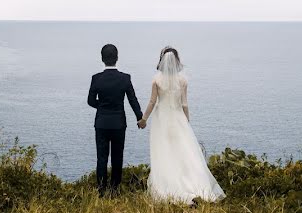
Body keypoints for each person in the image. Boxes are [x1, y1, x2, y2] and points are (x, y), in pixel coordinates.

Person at [138, 46, 225, 204]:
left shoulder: (156, 80)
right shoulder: (183, 80)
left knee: (164, 152)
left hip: (162, 119)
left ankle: (169, 186)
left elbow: (152, 102)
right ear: (176, 61)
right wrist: (187, 121)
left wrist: (143, 119)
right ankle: (193, 184)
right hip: (178, 118)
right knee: (184, 152)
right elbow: (184, 104)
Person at [87, 43, 144, 195]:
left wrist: (103, 106)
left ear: (102, 59)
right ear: (117, 58)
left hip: (101, 123)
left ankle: (100, 191)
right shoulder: (125, 78)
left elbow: (91, 101)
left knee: (102, 158)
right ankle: (115, 190)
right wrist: (140, 117)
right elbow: (133, 100)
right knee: (117, 157)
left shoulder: (96, 79)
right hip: (119, 123)